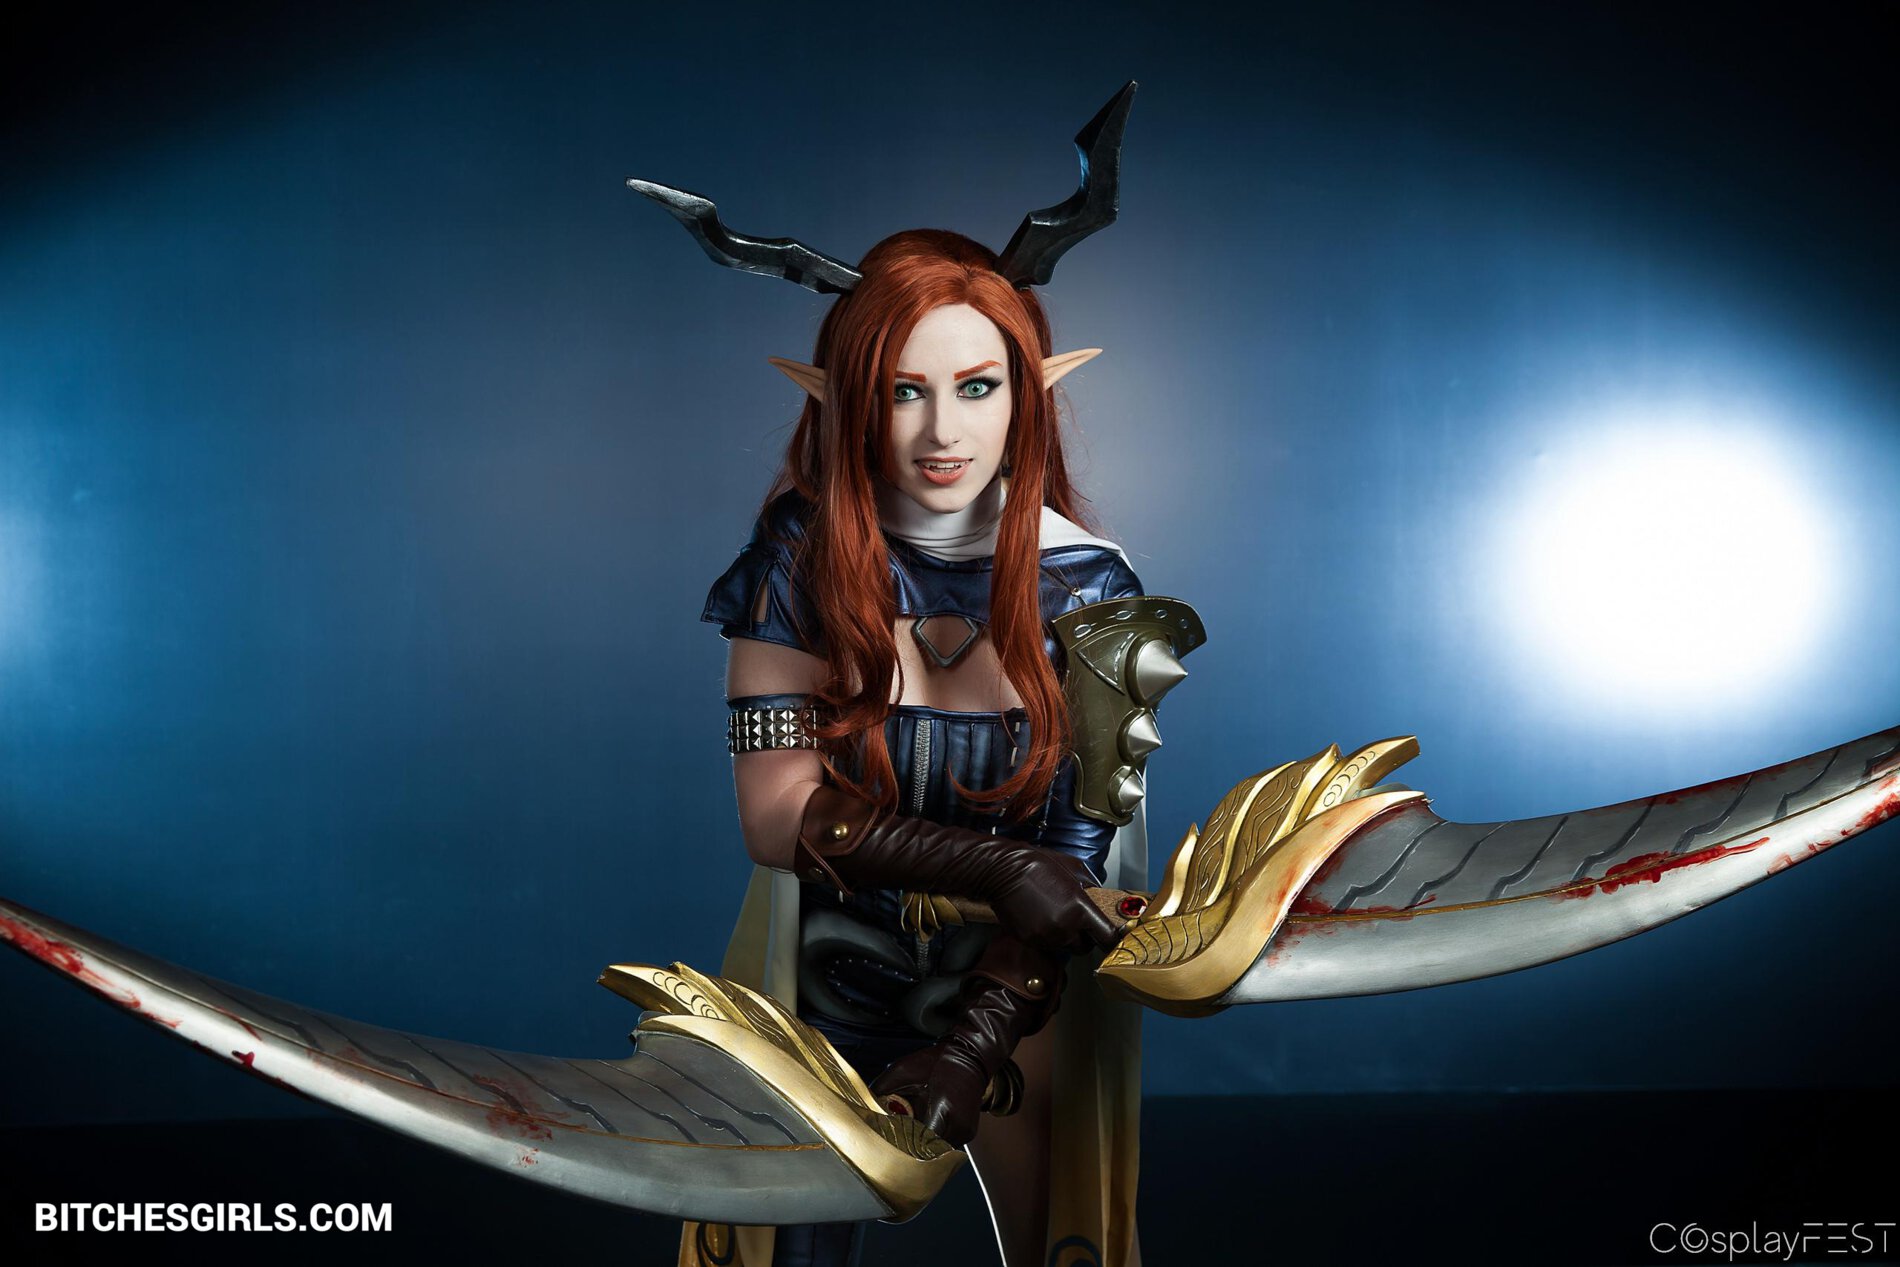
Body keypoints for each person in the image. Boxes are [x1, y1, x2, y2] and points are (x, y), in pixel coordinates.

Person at [699, 227, 1159, 1267]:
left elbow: (1072, 877)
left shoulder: (1091, 590)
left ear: (1027, 395)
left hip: (1023, 995)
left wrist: (969, 1047)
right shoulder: (794, 565)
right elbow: (776, 816)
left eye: (977, 387)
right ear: (847, 402)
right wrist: (1001, 867)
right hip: (828, 987)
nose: (942, 430)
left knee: (1068, 1244)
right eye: (902, 392)